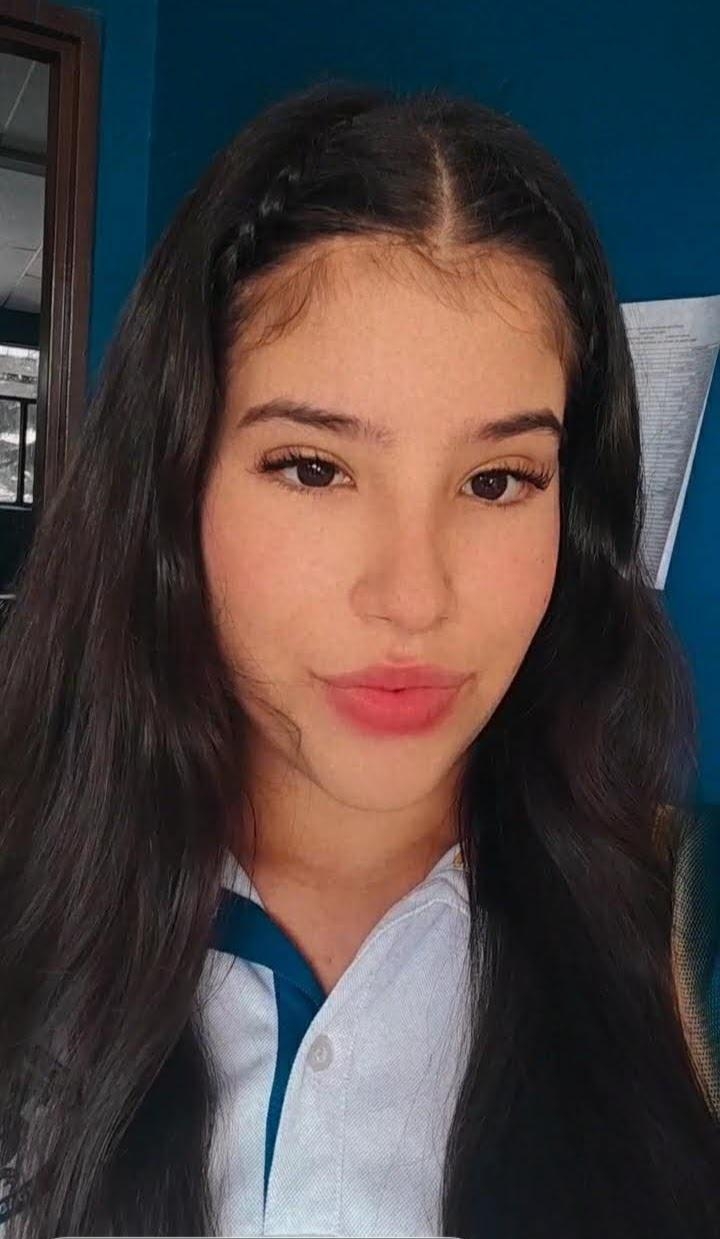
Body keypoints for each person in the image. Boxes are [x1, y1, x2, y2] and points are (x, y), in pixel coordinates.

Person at [0, 78, 718, 1239]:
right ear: (176, 482)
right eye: (314, 468)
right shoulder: (29, 896)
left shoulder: (688, 964)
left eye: (497, 481)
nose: (413, 597)